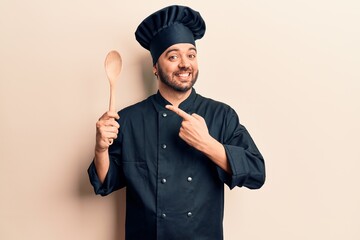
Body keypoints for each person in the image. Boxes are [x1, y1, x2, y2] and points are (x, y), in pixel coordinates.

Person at [88, 5, 265, 240]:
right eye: (173, 56)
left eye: (191, 55)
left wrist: (206, 143)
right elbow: (105, 182)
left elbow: (256, 173)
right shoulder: (129, 119)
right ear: (155, 68)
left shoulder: (221, 115)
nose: (185, 64)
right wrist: (101, 149)